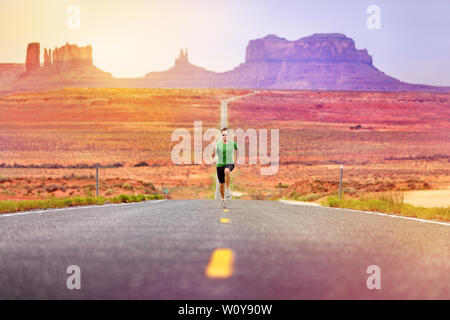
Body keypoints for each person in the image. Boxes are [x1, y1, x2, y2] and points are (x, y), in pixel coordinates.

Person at [213, 127, 237, 208]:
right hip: (220, 165)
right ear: (221, 135)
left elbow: (240, 150)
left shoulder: (232, 144)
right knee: (221, 184)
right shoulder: (218, 144)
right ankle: (223, 199)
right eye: (223, 135)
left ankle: (228, 190)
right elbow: (213, 155)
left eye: (226, 135)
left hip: (230, 163)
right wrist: (214, 152)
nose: (225, 136)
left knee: (227, 171)